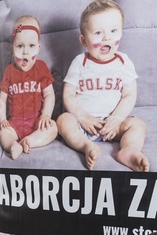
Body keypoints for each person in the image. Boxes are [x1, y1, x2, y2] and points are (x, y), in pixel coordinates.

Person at [57, 0, 149, 172]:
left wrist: (117, 118)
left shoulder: (123, 62)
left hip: (113, 125)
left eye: (113, 31)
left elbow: (129, 94)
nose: (107, 37)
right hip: (83, 125)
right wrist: (82, 116)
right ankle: (85, 146)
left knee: (138, 126)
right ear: (84, 41)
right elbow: (68, 94)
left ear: (121, 32)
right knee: (62, 121)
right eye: (98, 32)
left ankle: (128, 151)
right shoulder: (80, 62)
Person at [0, 15, 58, 160]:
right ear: (12, 48)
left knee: (53, 128)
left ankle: (29, 141)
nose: (25, 52)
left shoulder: (41, 68)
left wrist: (46, 115)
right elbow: (2, 100)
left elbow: (49, 94)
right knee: (2, 133)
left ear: (38, 48)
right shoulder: (9, 71)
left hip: (36, 121)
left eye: (31, 46)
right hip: (15, 123)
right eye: (20, 46)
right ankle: (13, 144)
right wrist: (3, 120)